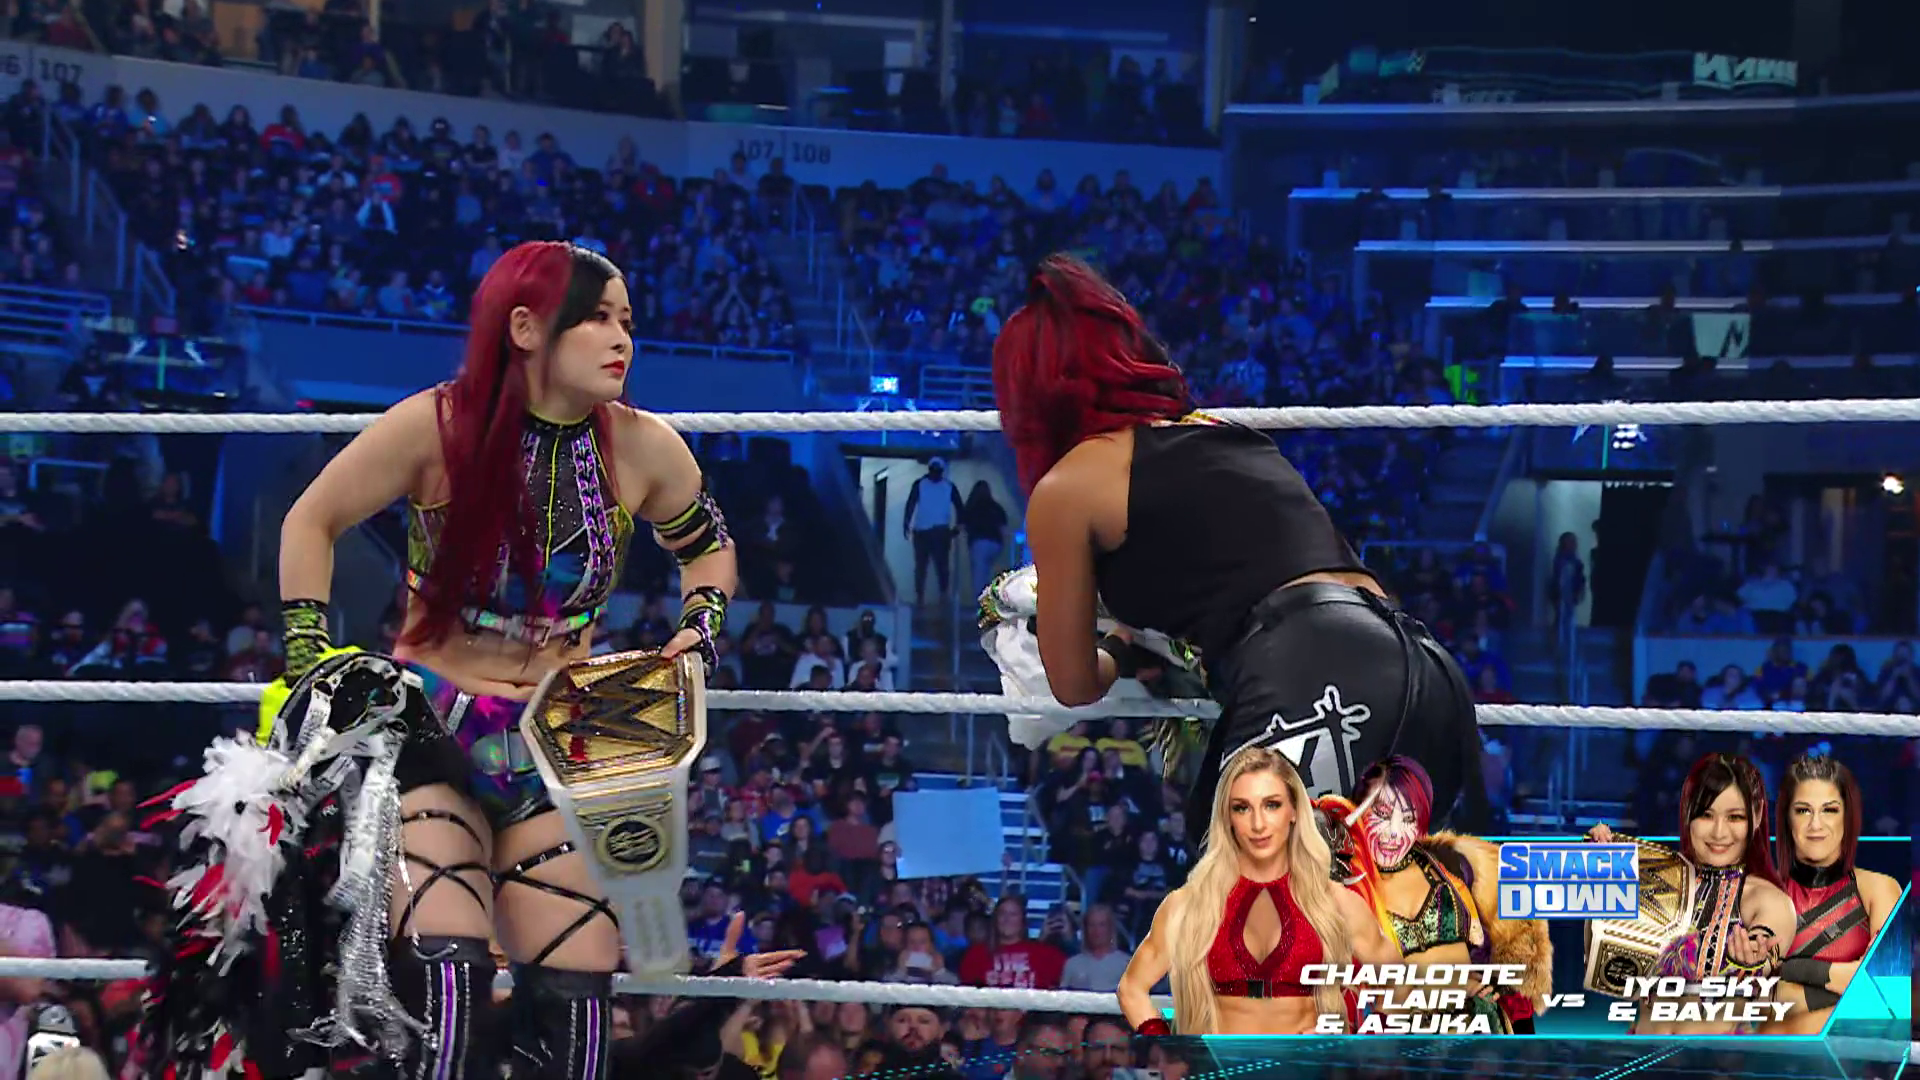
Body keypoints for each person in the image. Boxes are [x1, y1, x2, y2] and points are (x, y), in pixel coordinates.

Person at [140, 241, 740, 1079]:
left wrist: (700, 629)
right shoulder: (438, 424)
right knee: (448, 987)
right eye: (598, 319)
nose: (621, 340)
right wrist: (309, 656)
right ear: (525, 328)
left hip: (559, 737)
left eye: (627, 322)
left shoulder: (646, 447)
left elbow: (708, 547)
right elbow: (311, 519)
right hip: (435, 734)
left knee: (577, 1014)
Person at [991, 253, 1484, 849]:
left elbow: (1072, 684)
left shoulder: (1068, 488)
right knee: (1383, 905)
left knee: (1233, 903)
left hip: (1319, 681)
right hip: (1427, 673)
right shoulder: (1219, 432)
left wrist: (1120, 644)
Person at [1113, 745, 1398, 1035]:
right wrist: (1166, 1047)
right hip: (1217, 1059)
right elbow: (1131, 988)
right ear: (1228, 818)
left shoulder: (1336, 902)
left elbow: (1398, 981)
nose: (1258, 824)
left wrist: (1365, 1046)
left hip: (1309, 1061)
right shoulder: (1188, 905)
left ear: (1294, 811)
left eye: (1271, 805)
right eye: (1242, 808)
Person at [1587, 753, 1796, 1035]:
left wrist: (1754, 959)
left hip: (1716, 1058)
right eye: (1706, 815)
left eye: (1735, 817)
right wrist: (1599, 865)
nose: (1719, 832)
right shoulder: (1657, 884)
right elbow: (1614, 970)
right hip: (1640, 1051)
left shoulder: (1768, 900)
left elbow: (1767, 950)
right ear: (1687, 813)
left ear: (1757, 815)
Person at [1343, 756, 1550, 1033]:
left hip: (1477, 1032)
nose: (1393, 833)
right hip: (1398, 1040)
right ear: (1356, 811)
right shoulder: (1345, 886)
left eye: (1408, 819)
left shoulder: (1453, 865)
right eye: (1381, 814)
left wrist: (1488, 993)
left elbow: (1509, 949)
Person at [1762, 754, 1899, 1034]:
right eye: (1803, 811)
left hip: (1854, 1059)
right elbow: (1746, 1008)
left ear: (1847, 817)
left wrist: (1789, 972)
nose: (1816, 825)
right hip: (1766, 1058)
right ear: (1787, 818)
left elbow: (1887, 1003)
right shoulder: (1760, 894)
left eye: (1829, 810)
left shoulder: (1878, 890)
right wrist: (1841, 979)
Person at [902, 457, 963, 606]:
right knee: (940, 566)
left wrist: (906, 524)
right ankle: (940, 594)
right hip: (939, 532)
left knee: (923, 566)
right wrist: (957, 527)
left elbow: (910, 504)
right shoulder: (948, 486)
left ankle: (922, 596)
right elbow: (960, 507)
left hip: (924, 531)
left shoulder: (920, 484)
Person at [960, 480, 1009, 597]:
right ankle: (994, 597)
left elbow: (962, 526)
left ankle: (981, 601)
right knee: (991, 571)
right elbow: (1003, 529)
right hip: (995, 543)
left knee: (979, 574)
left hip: (978, 542)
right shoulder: (995, 507)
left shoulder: (971, 507)